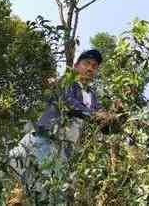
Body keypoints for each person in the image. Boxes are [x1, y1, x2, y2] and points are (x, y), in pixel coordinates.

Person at [7, 49, 114, 204]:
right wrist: (94, 115)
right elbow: (68, 103)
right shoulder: (67, 81)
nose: (90, 68)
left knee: (45, 192)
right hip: (44, 139)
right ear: (76, 66)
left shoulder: (93, 96)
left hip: (63, 150)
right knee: (10, 171)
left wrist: (115, 118)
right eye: (86, 63)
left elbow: (104, 125)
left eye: (94, 66)